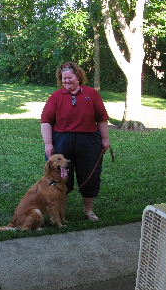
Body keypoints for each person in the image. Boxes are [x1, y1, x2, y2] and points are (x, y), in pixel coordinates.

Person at [40, 62, 110, 221]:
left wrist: (105, 139)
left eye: (69, 77)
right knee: (61, 176)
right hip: (62, 141)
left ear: (78, 77)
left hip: (89, 142)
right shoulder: (56, 97)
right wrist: (48, 143)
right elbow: (45, 121)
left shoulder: (92, 94)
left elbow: (102, 119)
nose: (66, 81)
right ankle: (59, 211)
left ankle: (88, 210)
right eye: (63, 78)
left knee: (90, 176)